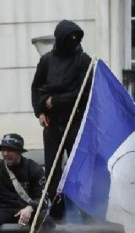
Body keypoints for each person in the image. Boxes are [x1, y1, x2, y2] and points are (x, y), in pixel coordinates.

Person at [31, 19, 92, 220]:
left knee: (78, 167)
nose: (73, 43)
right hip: (52, 124)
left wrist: (54, 101)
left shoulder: (84, 61)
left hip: (75, 122)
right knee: (52, 169)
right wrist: (40, 111)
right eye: (69, 39)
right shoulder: (47, 61)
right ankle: (57, 211)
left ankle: (85, 211)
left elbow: (81, 94)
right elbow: (37, 88)